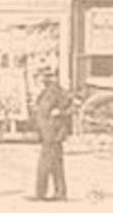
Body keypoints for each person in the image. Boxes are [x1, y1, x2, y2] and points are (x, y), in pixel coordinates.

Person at [32, 69, 70, 201]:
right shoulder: (46, 91)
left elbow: (70, 107)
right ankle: (60, 193)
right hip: (48, 132)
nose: (44, 79)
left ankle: (40, 194)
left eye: (48, 76)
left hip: (53, 132)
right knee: (56, 164)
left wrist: (60, 112)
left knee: (45, 163)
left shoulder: (57, 91)